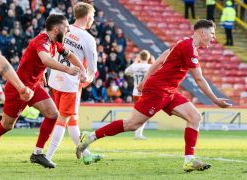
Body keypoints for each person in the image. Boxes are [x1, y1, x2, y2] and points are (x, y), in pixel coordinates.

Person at [76, 19, 232, 172]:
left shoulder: (184, 42)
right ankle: (90, 137)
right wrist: (216, 100)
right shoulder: (189, 48)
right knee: (132, 124)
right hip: (158, 90)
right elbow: (199, 78)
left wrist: (145, 81)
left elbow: (160, 59)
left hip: (168, 91)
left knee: (195, 117)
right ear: (202, 32)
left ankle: (189, 160)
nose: (214, 37)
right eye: (212, 33)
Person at [0, 14, 85, 170]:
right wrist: (66, 69)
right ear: (56, 28)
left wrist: (82, 70)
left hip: (34, 87)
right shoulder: (41, 40)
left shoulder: (55, 43)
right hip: (18, 88)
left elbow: (69, 55)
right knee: (6, 125)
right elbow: (45, 60)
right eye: (66, 28)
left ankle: (37, 153)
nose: (68, 30)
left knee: (53, 114)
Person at [46, 2, 102, 165]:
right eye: (92, 17)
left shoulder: (63, 28)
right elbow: (92, 69)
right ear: (88, 17)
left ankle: (86, 154)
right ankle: (48, 157)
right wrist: (88, 79)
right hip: (71, 83)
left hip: (55, 78)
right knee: (63, 120)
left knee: (72, 120)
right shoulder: (88, 38)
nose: (93, 20)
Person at [125, 50, 152, 140]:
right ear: (148, 57)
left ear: (139, 57)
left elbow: (126, 72)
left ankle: (137, 133)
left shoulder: (135, 66)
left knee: (139, 113)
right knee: (144, 114)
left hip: (136, 93)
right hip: (145, 93)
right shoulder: (150, 67)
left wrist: (135, 63)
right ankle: (138, 134)